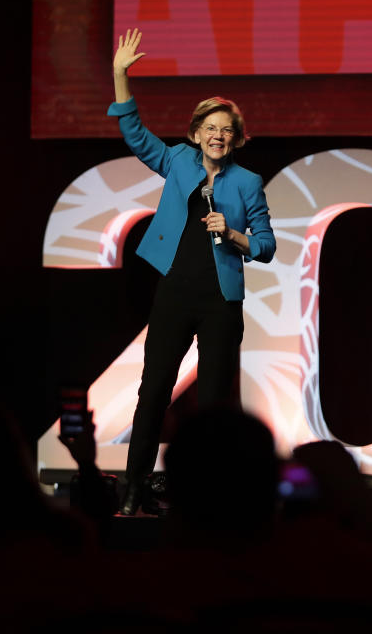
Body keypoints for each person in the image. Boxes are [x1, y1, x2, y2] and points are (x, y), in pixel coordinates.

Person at [109, 29, 276, 515]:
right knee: (154, 390)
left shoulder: (248, 183)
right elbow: (135, 133)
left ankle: (209, 499)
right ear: (196, 133)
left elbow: (266, 245)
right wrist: (120, 74)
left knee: (215, 412)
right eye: (211, 128)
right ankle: (135, 486)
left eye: (226, 129)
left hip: (221, 301)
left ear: (235, 137)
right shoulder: (178, 161)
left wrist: (235, 234)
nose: (218, 135)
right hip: (174, 293)